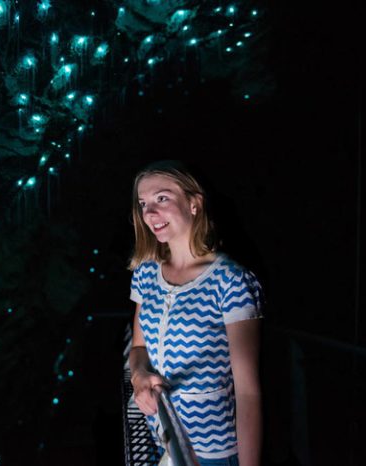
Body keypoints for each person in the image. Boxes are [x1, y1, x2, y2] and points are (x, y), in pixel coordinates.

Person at [128, 161, 263, 466]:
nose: (149, 212)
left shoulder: (231, 281)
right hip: (163, 437)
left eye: (161, 198)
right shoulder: (145, 273)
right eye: (143, 203)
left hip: (215, 452)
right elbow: (138, 348)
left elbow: (248, 392)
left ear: (194, 203)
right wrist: (139, 376)